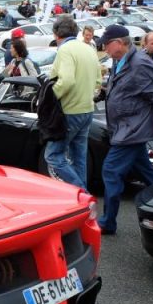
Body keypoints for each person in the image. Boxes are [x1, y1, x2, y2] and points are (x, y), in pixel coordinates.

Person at [97, 25, 153, 235]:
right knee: (148, 174)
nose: (104, 49)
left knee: (111, 171)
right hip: (126, 128)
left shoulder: (141, 64)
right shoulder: (121, 61)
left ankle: (108, 222)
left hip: (132, 130)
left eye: (106, 45)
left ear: (118, 43)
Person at [45, 15, 102, 189]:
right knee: (79, 157)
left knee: (53, 156)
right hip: (87, 109)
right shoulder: (88, 49)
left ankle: (82, 192)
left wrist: (51, 95)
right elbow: (99, 81)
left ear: (56, 34)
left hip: (69, 110)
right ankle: (82, 200)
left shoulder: (65, 50)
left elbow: (67, 81)